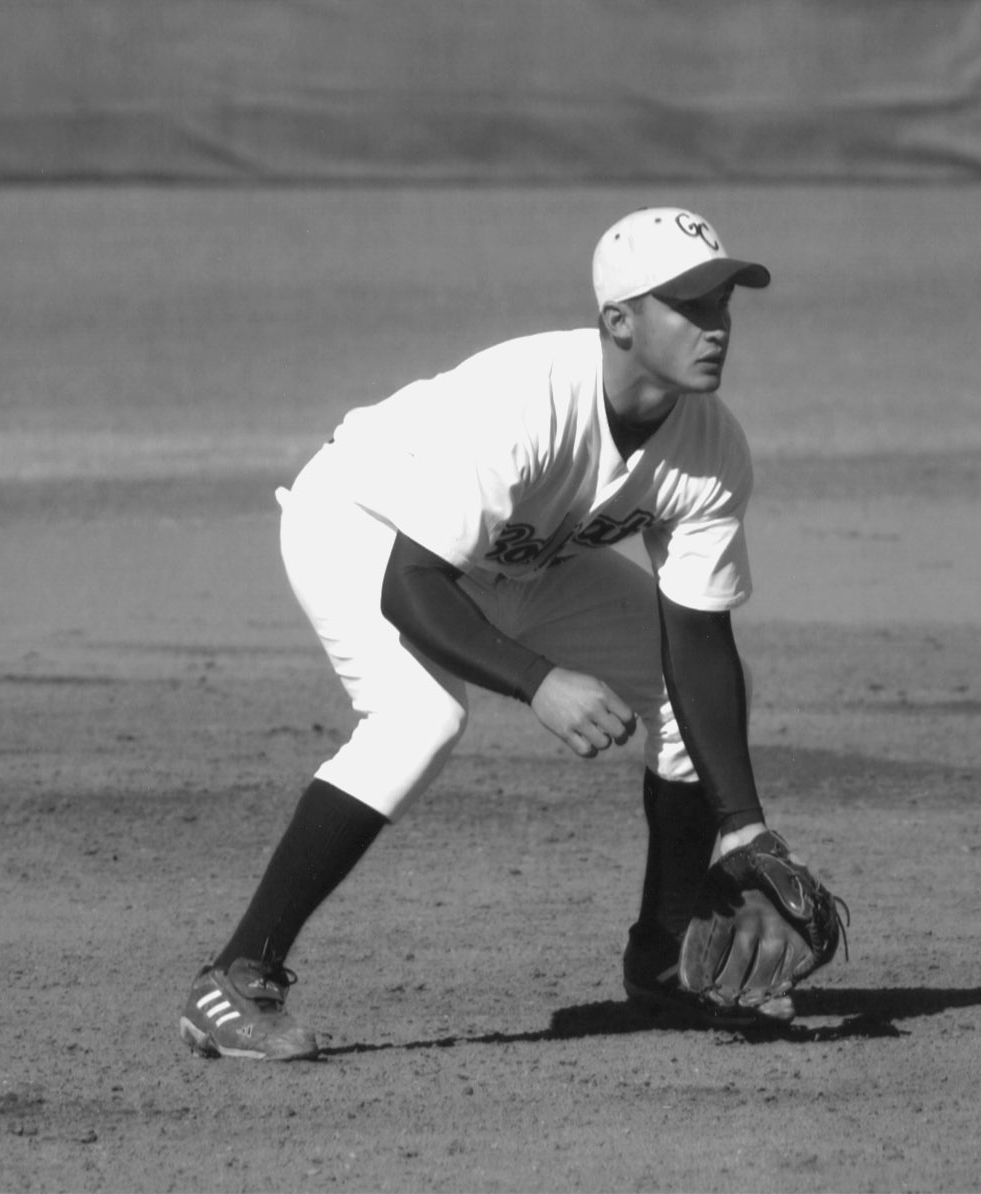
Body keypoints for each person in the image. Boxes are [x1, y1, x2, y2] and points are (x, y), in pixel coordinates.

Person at [178, 206, 814, 1060]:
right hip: (364, 522)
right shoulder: (525, 402)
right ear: (619, 321)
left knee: (688, 704)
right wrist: (537, 679)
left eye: (723, 305)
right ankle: (235, 976)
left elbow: (696, 640)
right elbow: (412, 588)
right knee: (421, 718)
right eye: (689, 306)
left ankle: (662, 962)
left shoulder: (712, 449)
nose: (716, 327)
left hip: (516, 557)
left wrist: (744, 827)